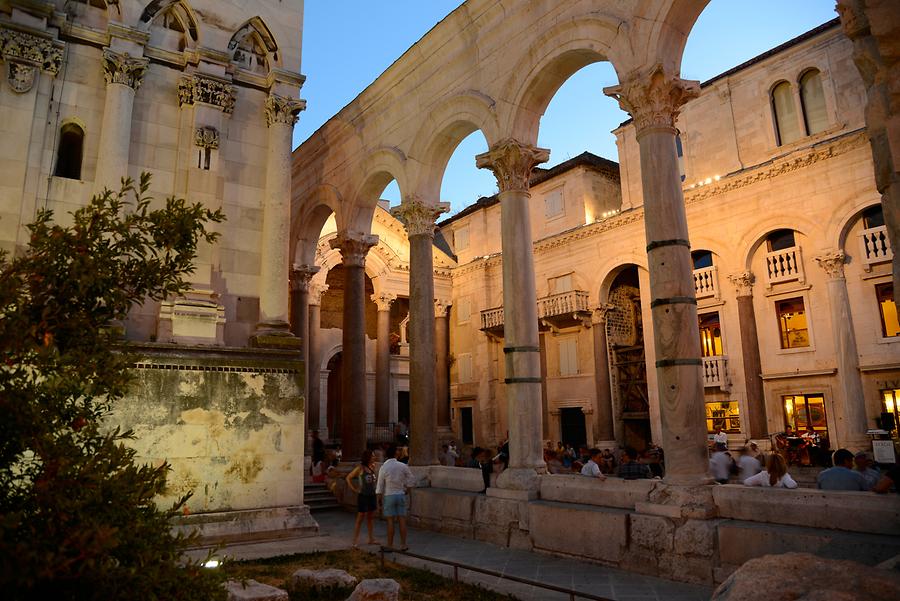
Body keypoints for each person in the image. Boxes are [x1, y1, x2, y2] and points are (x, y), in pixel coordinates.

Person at [376, 444, 415, 551]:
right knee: (402, 520)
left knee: (390, 521)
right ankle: (403, 545)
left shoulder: (384, 467)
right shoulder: (402, 466)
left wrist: (378, 499)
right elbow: (411, 479)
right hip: (400, 494)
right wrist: (407, 489)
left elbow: (380, 485)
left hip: (389, 495)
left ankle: (390, 545)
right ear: (395, 453)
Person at [346, 450, 379, 548]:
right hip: (363, 495)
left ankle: (371, 538)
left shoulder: (373, 467)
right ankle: (355, 540)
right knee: (360, 517)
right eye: (372, 456)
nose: (374, 457)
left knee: (370, 517)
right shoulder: (360, 468)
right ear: (367, 457)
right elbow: (348, 478)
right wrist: (354, 489)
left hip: (372, 494)